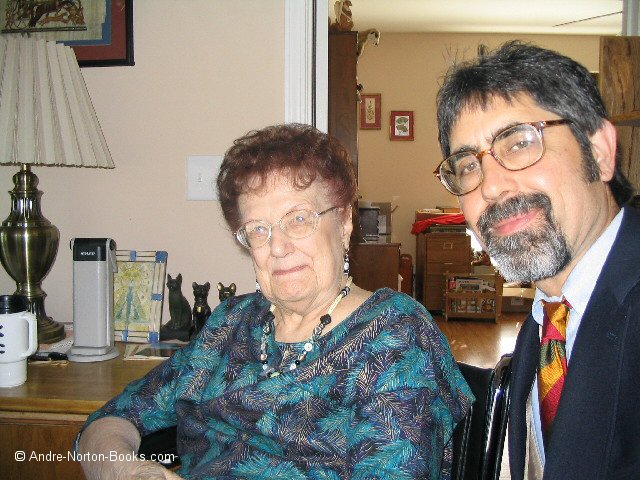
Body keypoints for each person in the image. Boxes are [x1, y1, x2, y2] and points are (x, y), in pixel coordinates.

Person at [77, 123, 472, 479]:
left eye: (298, 219)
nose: (278, 247)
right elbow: (109, 421)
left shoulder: (394, 334)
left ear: (344, 222)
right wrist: (127, 471)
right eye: (258, 229)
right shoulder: (229, 324)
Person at [434, 40, 640, 479]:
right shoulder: (543, 326)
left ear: (599, 151)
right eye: (467, 165)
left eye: (519, 142)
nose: (491, 186)